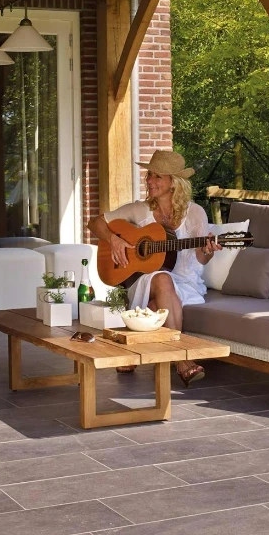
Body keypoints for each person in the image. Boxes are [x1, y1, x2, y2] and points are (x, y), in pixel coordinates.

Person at [88, 150, 222, 387]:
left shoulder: (195, 213)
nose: (149, 181)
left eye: (157, 176)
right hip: (145, 280)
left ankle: (133, 350)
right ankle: (181, 359)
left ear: (174, 183)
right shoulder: (139, 210)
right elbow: (95, 222)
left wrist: (208, 250)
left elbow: (201, 259)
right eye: (149, 175)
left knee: (156, 302)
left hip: (185, 282)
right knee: (161, 278)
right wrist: (114, 239)